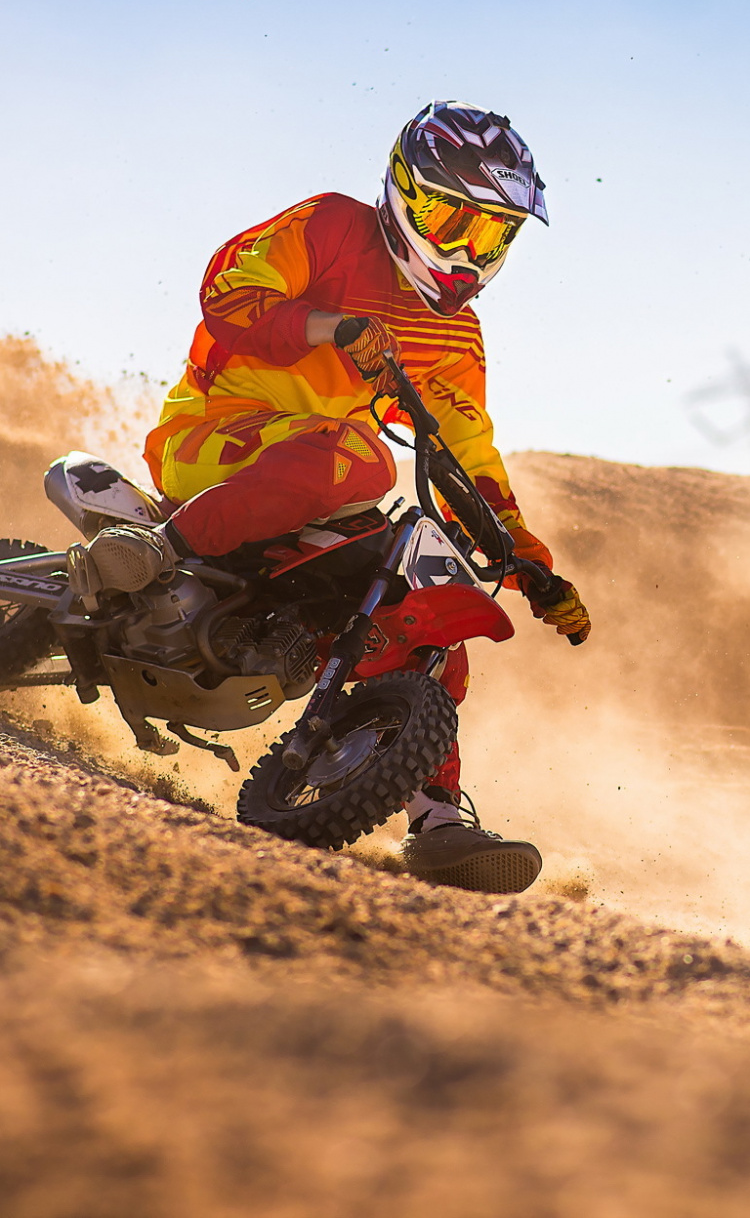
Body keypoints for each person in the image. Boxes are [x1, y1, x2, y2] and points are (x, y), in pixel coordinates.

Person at [80, 100, 590, 891]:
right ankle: (151, 552)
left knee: (431, 582)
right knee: (359, 458)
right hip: (218, 444)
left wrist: (531, 568)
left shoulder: (454, 336)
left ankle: (436, 819)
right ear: (408, 196)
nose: (466, 250)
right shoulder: (331, 227)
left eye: (491, 234)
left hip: (326, 485)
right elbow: (228, 290)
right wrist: (328, 326)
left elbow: (466, 452)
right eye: (455, 221)